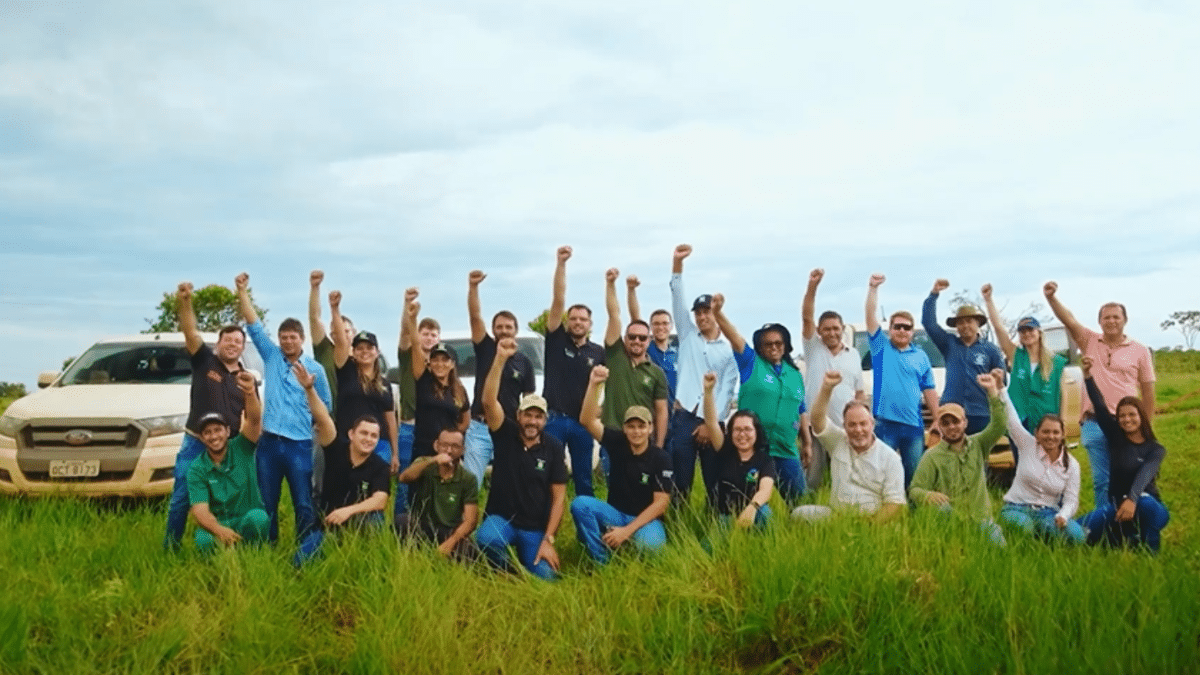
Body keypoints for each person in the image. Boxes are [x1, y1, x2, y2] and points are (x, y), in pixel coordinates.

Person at [236, 272, 332, 546]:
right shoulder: (272, 357)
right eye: (283, 337)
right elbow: (254, 326)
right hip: (269, 443)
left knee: (303, 501)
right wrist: (242, 291)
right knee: (267, 501)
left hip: (300, 445)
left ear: (301, 339)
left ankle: (305, 548)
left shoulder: (315, 369)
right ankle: (269, 546)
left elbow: (324, 407)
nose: (287, 342)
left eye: (292, 337)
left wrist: (314, 427)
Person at [1044, 281, 1157, 508]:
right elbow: (1068, 320)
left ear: (1124, 320)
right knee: (1102, 481)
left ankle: (1131, 523)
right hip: (1094, 422)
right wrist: (1051, 297)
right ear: (1099, 321)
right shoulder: (1089, 341)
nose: (1112, 321)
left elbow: (1148, 390)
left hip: (1126, 423)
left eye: (1116, 317)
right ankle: (1103, 526)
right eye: (1107, 317)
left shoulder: (1139, 350)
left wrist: (1145, 426)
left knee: (1130, 477)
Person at [164, 281, 249, 550]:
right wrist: (186, 301)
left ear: (242, 348)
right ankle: (171, 549)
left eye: (238, 341)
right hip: (195, 445)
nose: (233, 344)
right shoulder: (204, 361)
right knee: (181, 499)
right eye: (228, 340)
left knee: (230, 500)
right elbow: (190, 331)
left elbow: (248, 416)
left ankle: (227, 542)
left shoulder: (246, 379)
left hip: (228, 449)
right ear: (219, 343)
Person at [476, 338, 567, 580]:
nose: (532, 421)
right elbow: (487, 401)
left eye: (538, 416)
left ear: (545, 420)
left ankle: (528, 565)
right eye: (528, 415)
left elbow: (559, 498)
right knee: (486, 539)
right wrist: (500, 359)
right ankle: (511, 573)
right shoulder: (505, 433)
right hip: (501, 519)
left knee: (548, 578)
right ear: (518, 415)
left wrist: (548, 539)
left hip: (533, 528)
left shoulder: (554, 448)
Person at [710, 293, 810, 504]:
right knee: (742, 501)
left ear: (786, 345)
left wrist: (807, 443)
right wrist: (718, 313)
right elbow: (735, 338)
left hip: (786, 448)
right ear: (760, 347)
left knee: (799, 502)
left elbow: (801, 410)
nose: (774, 347)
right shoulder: (751, 363)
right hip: (752, 448)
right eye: (768, 344)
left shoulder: (794, 374)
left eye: (778, 343)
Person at [572, 365, 671, 564]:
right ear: (624, 428)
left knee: (651, 548)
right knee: (580, 504)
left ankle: (625, 545)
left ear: (650, 428)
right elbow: (587, 420)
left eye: (642, 426)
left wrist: (627, 531)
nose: (636, 431)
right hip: (616, 514)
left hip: (647, 520)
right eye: (631, 426)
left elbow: (661, 503)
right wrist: (594, 384)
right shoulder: (617, 442)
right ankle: (602, 561)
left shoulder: (660, 458)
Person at [293, 364, 387, 565]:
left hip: (359, 524)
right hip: (329, 526)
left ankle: (368, 562)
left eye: (374, 436)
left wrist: (349, 511)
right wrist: (309, 389)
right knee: (299, 563)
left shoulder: (379, 466)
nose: (369, 439)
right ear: (352, 434)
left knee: (377, 520)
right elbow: (323, 418)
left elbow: (380, 500)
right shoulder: (335, 449)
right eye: (364, 433)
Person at [669, 244, 739, 505]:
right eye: (698, 313)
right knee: (681, 482)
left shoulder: (728, 349)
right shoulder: (687, 335)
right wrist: (677, 264)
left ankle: (715, 527)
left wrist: (710, 424)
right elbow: (677, 297)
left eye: (706, 312)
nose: (701, 317)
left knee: (715, 480)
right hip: (684, 416)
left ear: (715, 313)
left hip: (713, 420)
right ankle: (676, 529)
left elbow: (728, 388)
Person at [1076, 357, 1169, 552]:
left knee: (1146, 503)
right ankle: (1125, 537)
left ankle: (1150, 555)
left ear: (1141, 416)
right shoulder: (1116, 439)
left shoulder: (1155, 449)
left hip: (1149, 508)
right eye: (1122, 416)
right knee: (1079, 530)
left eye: (1132, 414)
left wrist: (1132, 498)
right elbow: (1100, 406)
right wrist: (1087, 376)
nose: (1127, 419)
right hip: (1118, 509)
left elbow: (1146, 474)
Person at [908, 371, 1008, 546]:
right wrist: (928, 495)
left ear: (965, 423)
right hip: (951, 520)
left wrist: (992, 392)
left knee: (1000, 548)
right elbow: (915, 489)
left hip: (981, 519)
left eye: (956, 422)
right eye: (945, 423)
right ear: (939, 427)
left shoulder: (979, 444)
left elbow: (999, 425)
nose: (951, 427)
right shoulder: (931, 456)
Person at [792, 371, 905, 523]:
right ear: (844, 426)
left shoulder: (890, 458)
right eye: (852, 425)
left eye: (863, 424)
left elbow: (894, 503)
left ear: (872, 424)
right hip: (836, 516)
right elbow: (817, 421)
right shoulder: (838, 441)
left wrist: (869, 525)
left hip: (871, 521)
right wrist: (827, 388)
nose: (858, 430)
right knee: (799, 514)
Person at [541, 246, 606, 497]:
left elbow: (611, 386)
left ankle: (586, 533)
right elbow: (558, 299)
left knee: (584, 481)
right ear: (567, 321)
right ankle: (544, 532)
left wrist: (599, 411)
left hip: (582, 423)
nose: (578, 322)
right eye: (574, 318)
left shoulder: (598, 352)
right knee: (548, 480)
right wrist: (561, 263)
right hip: (554, 420)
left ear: (590, 325)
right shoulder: (556, 340)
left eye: (583, 319)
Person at [864, 274, 939, 488]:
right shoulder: (880, 348)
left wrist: (937, 418)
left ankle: (913, 513)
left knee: (913, 476)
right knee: (881, 474)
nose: (902, 331)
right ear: (890, 330)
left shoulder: (921, 356)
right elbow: (870, 315)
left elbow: (929, 389)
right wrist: (873, 288)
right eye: (897, 326)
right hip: (884, 423)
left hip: (914, 426)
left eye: (907, 327)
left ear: (912, 332)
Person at [465, 269, 537, 491]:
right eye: (500, 326)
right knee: (470, 485)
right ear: (493, 330)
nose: (504, 330)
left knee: (509, 484)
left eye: (509, 327)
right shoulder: (485, 347)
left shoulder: (524, 362)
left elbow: (528, 399)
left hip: (509, 428)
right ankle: (463, 524)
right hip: (480, 428)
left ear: (516, 331)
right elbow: (475, 316)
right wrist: (474, 287)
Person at [186, 371, 267, 553]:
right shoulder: (197, 469)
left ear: (228, 431)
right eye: (208, 432)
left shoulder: (241, 447)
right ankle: (217, 571)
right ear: (201, 438)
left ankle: (254, 556)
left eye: (218, 430)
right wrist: (219, 530)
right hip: (219, 522)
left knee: (259, 518)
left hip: (245, 518)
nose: (214, 436)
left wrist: (250, 392)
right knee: (203, 540)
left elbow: (254, 420)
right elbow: (200, 510)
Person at [800, 268, 865, 491]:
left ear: (843, 329)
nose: (831, 333)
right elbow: (807, 316)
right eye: (826, 329)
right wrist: (813, 286)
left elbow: (859, 393)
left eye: (836, 328)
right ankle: (804, 515)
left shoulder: (854, 355)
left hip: (843, 429)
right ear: (819, 331)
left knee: (846, 479)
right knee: (813, 478)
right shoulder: (813, 348)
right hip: (815, 427)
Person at [995, 385, 1083, 544]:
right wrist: (1000, 389)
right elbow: (1012, 420)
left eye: (1056, 432)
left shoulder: (1072, 464)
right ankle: (1030, 535)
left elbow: (1071, 500)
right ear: (1037, 433)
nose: (1051, 436)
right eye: (1046, 432)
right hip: (1017, 507)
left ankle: (1044, 533)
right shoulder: (1027, 445)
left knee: (1077, 536)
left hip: (1049, 513)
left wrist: (1063, 515)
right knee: (1024, 528)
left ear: (1062, 435)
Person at [923, 279, 1007, 434]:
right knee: (952, 455)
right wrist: (933, 294)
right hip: (951, 411)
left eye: (969, 321)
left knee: (980, 456)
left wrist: (997, 377)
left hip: (981, 413)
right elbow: (929, 323)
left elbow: (1002, 381)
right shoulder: (949, 344)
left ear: (978, 324)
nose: (965, 326)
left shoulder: (991, 350)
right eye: (960, 323)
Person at [981, 283, 1067, 433]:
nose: (1027, 334)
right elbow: (999, 328)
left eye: (1030, 330)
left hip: (1046, 422)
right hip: (1020, 420)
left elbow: (1063, 395)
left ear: (1039, 332)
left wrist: (1063, 424)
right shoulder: (1017, 356)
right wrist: (988, 300)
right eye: (1022, 331)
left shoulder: (1056, 362)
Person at [601, 267, 669, 450]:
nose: (637, 341)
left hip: (644, 441)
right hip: (613, 436)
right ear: (624, 339)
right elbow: (614, 315)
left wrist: (659, 446)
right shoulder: (615, 356)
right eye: (632, 337)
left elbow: (662, 412)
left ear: (649, 341)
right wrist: (610, 284)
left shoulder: (656, 373)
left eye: (642, 338)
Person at [328, 290, 398, 465]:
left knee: (377, 489)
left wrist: (395, 453)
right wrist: (335, 309)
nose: (364, 352)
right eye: (360, 348)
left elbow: (390, 420)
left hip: (379, 444)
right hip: (347, 440)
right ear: (354, 351)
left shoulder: (385, 384)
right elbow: (341, 341)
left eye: (369, 348)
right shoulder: (346, 370)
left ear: (377, 352)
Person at [700, 372, 776, 528]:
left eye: (747, 429)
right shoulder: (724, 451)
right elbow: (711, 422)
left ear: (756, 432)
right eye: (737, 430)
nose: (742, 435)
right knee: (710, 548)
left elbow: (766, 490)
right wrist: (708, 391)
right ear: (731, 433)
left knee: (765, 513)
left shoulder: (765, 460)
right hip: (725, 516)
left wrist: (751, 508)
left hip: (753, 513)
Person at [403, 292, 470, 461]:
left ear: (453, 363)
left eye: (445, 360)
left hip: (449, 453)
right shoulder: (424, 379)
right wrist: (412, 319)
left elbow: (465, 421)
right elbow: (416, 346)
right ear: (430, 363)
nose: (440, 364)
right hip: (424, 449)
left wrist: (450, 439)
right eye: (435, 360)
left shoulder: (459, 390)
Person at [396, 428, 480, 562]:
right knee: (402, 521)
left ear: (463, 449)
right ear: (436, 445)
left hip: (449, 530)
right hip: (423, 525)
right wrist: (433, 460)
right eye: (444, 445)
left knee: (469, 550)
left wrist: (450, 543)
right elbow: (404, 478)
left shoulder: (468, 478)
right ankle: (413, 559)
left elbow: (470, 521)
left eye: (455, 446)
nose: (449, 450)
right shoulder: (425, 464)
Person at [393, 286, 440, 518]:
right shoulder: (407, 355)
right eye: (425, 333)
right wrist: (408, 308)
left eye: (433, 334)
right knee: (404, 480)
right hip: (409, 428)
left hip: (432, 431)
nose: (429, 337)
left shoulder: (443, 364)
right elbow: (404, 334)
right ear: (418, 335)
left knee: (429, 481)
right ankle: (400, 527)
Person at [626, 276, 679, 409]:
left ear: (671, 326)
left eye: (664, 323)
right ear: (650, 327)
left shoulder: (676, 351)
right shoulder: (648, 347)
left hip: (675, 413)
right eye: (656, 324)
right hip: (651, 410)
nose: (660, 327)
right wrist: (631, 290)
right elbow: (635, 318)